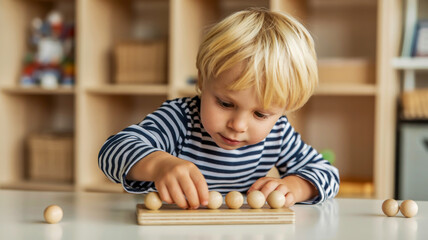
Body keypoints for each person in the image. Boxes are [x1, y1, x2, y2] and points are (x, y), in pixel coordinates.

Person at [98, 8, 339, 210]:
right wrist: (159, 165)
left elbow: (327, 174)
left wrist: (296, 187)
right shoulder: (180, 119)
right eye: (225, 103)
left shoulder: (278, 133)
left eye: (260, 114)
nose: (238, 125)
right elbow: (111, 152)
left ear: (282, 110)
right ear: (202, 81)